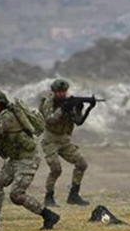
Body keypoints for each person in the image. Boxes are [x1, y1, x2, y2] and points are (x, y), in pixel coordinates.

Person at [0, 90, 60, 231]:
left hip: (27, 159)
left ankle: (49, 215)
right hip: (15, 158)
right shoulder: (0, 116)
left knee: (16, 195)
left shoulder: (7, 117)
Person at [39, 78, 92, 207]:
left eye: (63, 91)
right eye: (58, 92)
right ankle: (49, 196)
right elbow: (50, 120)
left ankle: (74, 195)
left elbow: (78, 121)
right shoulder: (48, 103)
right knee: (56, 169)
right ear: (54, 92)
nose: (61, 94)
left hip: (64, 140)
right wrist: (62, 109)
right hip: (50, 140)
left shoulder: (69, 103)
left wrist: (83, 109)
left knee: (81, 164)